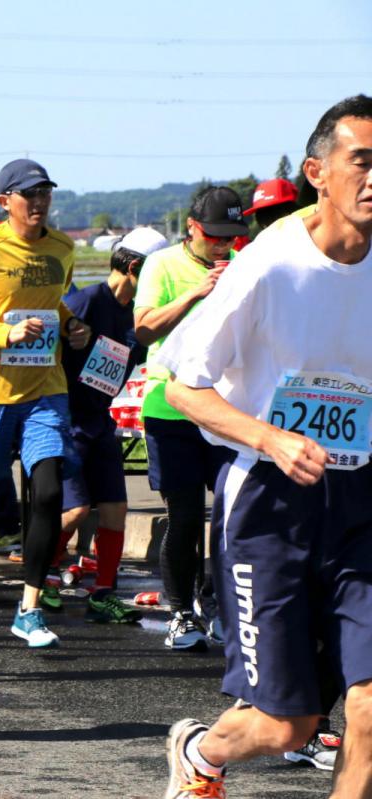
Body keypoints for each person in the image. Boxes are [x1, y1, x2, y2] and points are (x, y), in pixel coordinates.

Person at [158, 94, 372, 799]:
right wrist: (271, 437)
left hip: (362, 499)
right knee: (289, 724)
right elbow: (184, 387)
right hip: (272, 502)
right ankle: (200, 749)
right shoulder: (266, 266)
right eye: (362, 162)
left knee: (369, 708)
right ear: (318, 171)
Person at [0, 158, 90, 648]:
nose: (38, 202)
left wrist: (72, 326)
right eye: (28, 194)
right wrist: (2, 333)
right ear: (4, 202)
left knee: (49, 490)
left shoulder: (63, 247)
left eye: (45, 194)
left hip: (44, 389)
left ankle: (29, 609)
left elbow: (57, 305)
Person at [134, 186, 247, 651]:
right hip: (171, 405)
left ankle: (220, 606)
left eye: (232, 237)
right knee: (183, 517)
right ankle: (181, 611)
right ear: (192, 228)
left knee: (228, 515)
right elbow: (143, 328)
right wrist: (198, 292)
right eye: (215, 237)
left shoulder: (244, 263)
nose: (224, 245)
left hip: (225, 407)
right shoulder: (162, 264)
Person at [51, 227, 166, 623]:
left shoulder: (138, 315)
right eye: (156, 271)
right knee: (76, 510)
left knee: (116, 507)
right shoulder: (84, 302)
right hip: (67, 420)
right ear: (134, 267)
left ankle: (103, 592)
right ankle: (43, 577)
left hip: (102, 420)